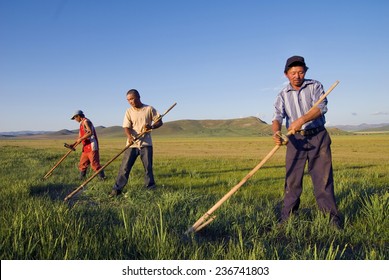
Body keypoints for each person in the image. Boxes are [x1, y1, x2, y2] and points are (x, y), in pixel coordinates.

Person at [272, 55, 341, 228]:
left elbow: (321, 107)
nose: (297, 76)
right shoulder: (282, 94)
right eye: (293, 72)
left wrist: (301, 120)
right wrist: (276, 132)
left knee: (323, 180)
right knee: (292, 181)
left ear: (305, 72)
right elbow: (277, 116)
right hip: (295, 140)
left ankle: (331, 220)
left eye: (301, 72)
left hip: (318, 136)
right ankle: (286, 220)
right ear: (286, 74)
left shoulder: (315, 86)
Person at [110, 89, 163, 197]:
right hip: (132, 144)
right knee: (125, 167)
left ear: (138, 97)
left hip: (146, 144)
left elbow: (159, 122)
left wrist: (151, 126)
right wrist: (129, 137)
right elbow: (126, 127)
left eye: (132, 99)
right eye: (128, 100)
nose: (130, 101)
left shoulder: (149, 109)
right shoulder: (129, 111)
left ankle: (150, 189)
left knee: (148, 168)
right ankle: (117, 190)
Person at [70, 110, 106, 181]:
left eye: (75, 118)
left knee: (94, 164)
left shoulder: (86, 121)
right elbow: (80, 137)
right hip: (85, 146)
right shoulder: (81, 124)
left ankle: (102, 178)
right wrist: (73, 144)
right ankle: (81, 179)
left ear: (79, 116)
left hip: (92, 145)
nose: (75, 120)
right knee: (82, 163)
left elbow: (90, 132)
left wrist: (81, 139)